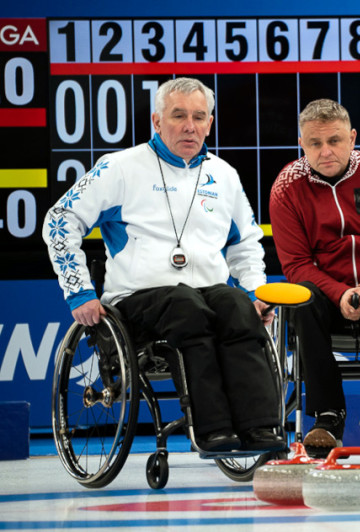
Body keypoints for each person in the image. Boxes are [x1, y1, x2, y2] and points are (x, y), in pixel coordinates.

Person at [43, 77, 283, 452]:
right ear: (157, 121)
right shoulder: (119, 168)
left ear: (210, 123)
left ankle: (261, 427)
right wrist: (79, 292)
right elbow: (59, 221)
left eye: (199, 116)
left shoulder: (224, 175)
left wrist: (254, 290)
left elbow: (247, 243)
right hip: (139, 299)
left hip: (208, 294)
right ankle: (211, 429)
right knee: (187, 308)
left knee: (237, 308)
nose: (190, 125)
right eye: (178, 115)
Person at [270, 98, 360, 455]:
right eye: (315, 143)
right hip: (327, 298)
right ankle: (328, 416)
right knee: (299, 295)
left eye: (334, 141)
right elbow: (296, 264)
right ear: (302, 143)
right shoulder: (287, 187)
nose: (325, 151)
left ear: (352, 138)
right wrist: (339, 292)